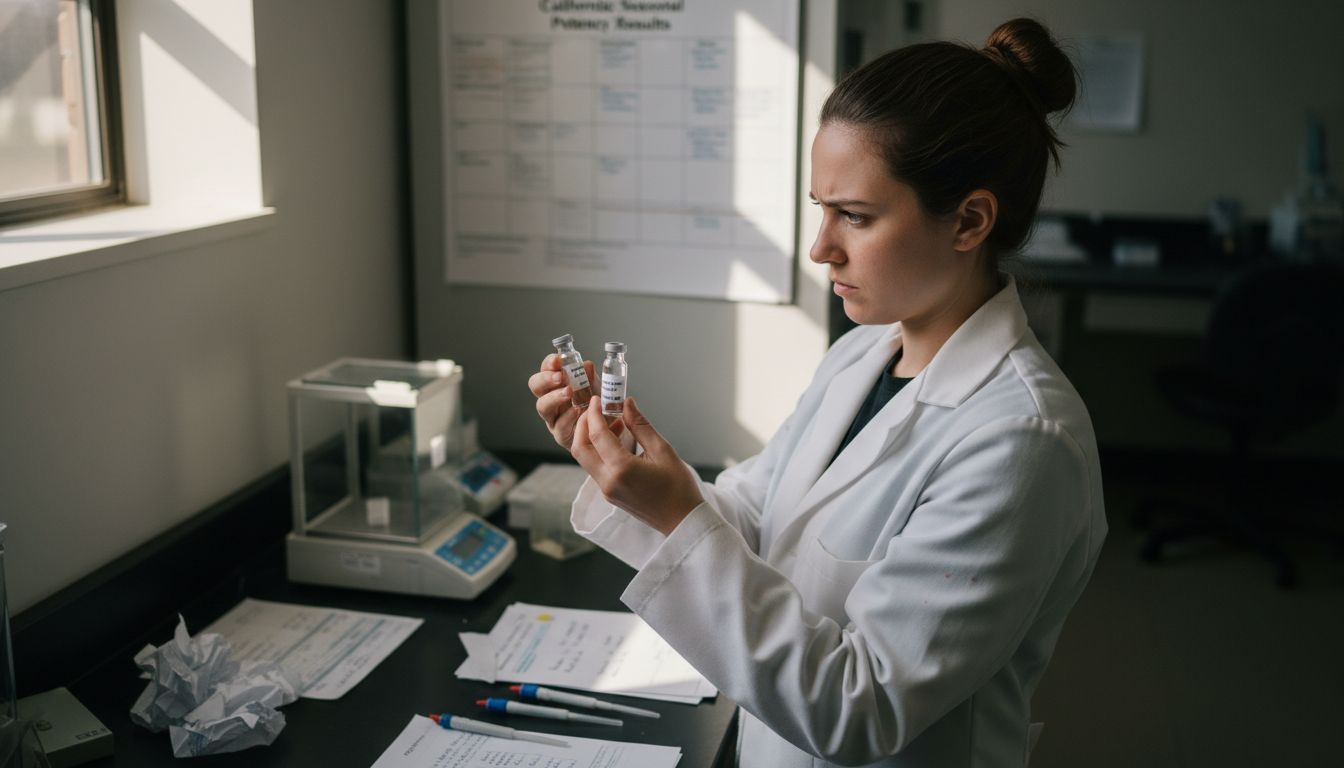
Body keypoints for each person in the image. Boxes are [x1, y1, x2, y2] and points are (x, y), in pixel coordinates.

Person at [528, 18, 1106, 768]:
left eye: (855, 217)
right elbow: (755, 517)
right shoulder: (861, 354)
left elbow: (862, 709)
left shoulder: (1022, 441)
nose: (820, 247)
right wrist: (627, 465)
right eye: (820, 208)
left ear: (969, 220)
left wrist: (672, 513)